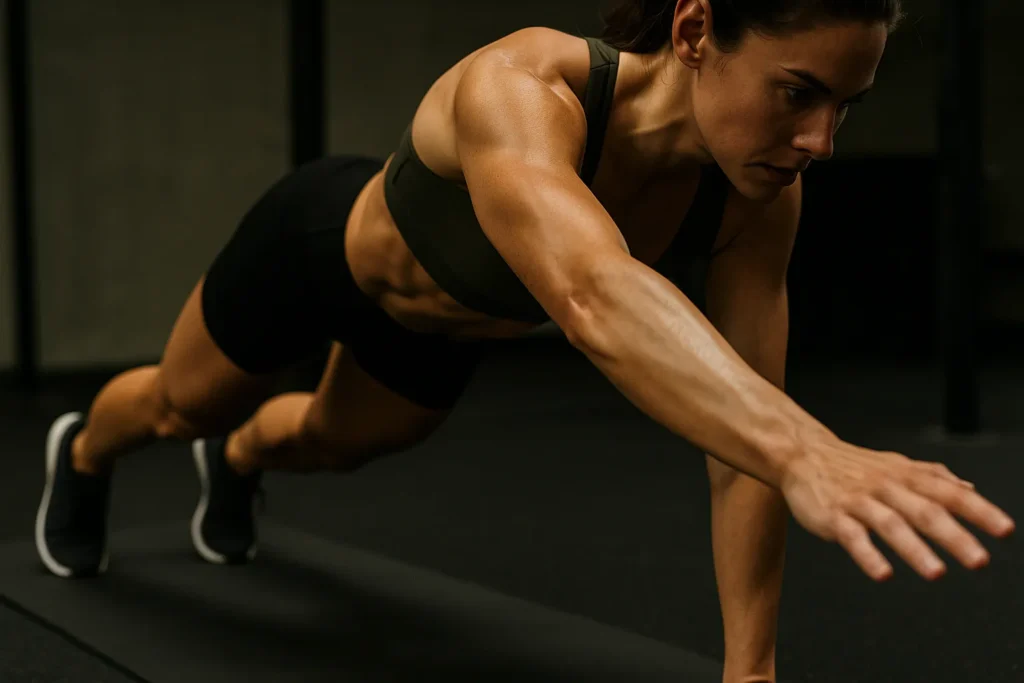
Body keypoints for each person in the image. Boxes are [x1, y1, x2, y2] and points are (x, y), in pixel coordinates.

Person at [35, 0, 1015, 681]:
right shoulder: (526, 84)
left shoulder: (757, 198)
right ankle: (81, 448)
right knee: (178, 401)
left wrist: (748, 671)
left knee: (330, 443)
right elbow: (591, 290)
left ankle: (241, 459)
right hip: (316, 251)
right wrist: (806, 444)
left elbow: (738, 438)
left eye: (844, 106)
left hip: (437, 330)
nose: (819, 141)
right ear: (694, 29)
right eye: (797, 92)